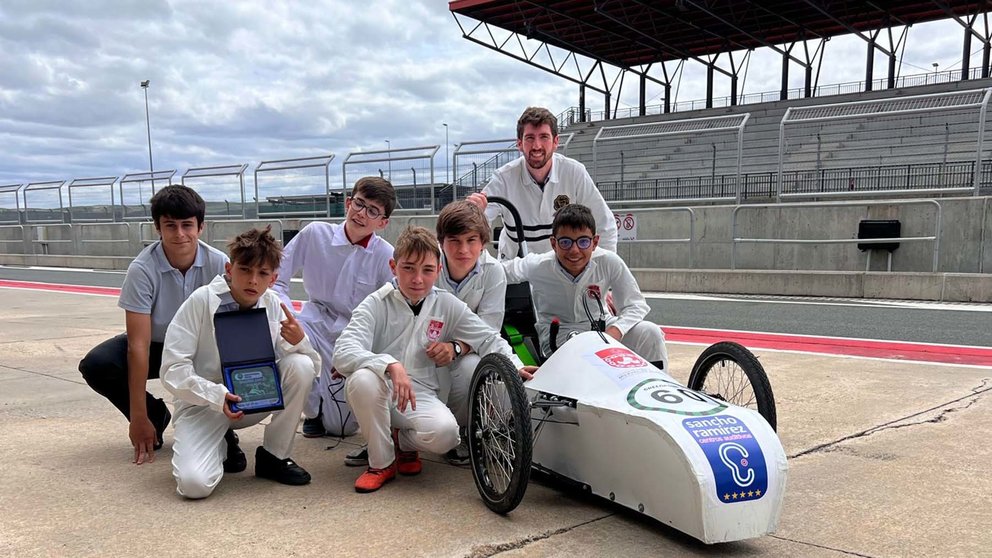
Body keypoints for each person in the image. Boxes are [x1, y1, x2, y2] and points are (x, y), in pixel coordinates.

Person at [333, 226, 535, 493]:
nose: (417, 279)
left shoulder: (446, 304)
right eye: (408, 268)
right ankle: (381, 463)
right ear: (393, 266)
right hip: (381, 388)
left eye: (427, 270)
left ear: (438, 270)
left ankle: (403, 444)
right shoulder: (376, 302)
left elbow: (488, 338)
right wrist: (389, 365)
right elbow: (343, 351)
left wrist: (516, 366)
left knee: (447, 436)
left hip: (420, 393)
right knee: (362, 380)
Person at [161, 227, 320, 499]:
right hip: (204, 405)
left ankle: (274, 456)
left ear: (274, 279)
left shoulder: (272, 305)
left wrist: (299, 341)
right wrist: (215, 395)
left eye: (263, 274)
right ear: (229, 268)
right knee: (194, 485)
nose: (253, 281)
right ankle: (221, 442)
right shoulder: (201, 302)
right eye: (245, 270)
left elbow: (312, 368)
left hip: (252, 401)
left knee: (300, 364)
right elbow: (171, 370)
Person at [78, 185, 230, 466]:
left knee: (227, 350)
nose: (180, 234)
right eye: (170, 226)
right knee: (97, 364)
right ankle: (155, 414)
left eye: (187, 225)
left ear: (201, 227)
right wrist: (138, 416)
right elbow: (138, 345)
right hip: (158, 345)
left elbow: (231, 327)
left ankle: (224, 430)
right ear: (157, 228)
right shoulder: (142, 269)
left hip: (203, 348)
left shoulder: (219, 263)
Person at [271, 177, 396, 448]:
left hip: (352, 331)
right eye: (359, 204)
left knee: (341, 427)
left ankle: (326, 410)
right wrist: (285, 317)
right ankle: (311, 409)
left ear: (383, 222)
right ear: (348, 203)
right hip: (313, 320)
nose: (362, 214)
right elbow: (277, 278)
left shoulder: (386, 256)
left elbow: (391, 308)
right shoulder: (315, 234)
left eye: (373, 211)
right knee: (282, 340)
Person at [502, 204, 668, 369]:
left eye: (583, 241)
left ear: (595, 242)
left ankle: (659, 388)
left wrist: (615, 331)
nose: (574, 250)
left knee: (650, 332)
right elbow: (499, 271)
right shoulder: (538, 265)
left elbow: (636, 305)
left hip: (602, 327)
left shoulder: (609, 262)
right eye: (565, 242)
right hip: (559, 333)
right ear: (553, 244)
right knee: (586, 355)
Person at [467, 106, 618, 261]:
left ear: (555, 142)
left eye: (544, 137)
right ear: (519, 143)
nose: (537, 146)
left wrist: (603, 273)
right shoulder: (504, 178)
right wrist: (475, 212)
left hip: (560, 266)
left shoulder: (574, 172)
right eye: (530, 138)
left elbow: (605, 225)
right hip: (516, 267)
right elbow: (474, 223)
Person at [434, 200, 506, 465]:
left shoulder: (493, 271)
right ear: (441, 241)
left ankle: (464, 430)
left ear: (483, 242)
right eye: (454, 240)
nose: (463, 249)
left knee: (472, 368)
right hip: (426, 345)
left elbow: (488, 327)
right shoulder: (429, 265)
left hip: (465, 349)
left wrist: (455, 347)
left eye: (471, 240)